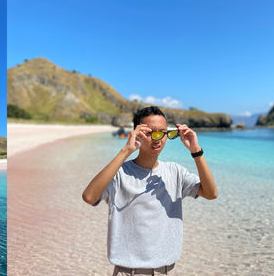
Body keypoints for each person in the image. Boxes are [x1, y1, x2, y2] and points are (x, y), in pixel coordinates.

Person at [82, 106, 218, 275]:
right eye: (150, 132)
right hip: (128, 271)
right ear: (136, 133)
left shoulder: (175, 172)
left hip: (166, 270)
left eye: (162, 132)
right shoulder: (120, 173)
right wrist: (126, 150)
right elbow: (89, 196)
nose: (157, 139)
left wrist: (196, 151)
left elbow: (211, 193)